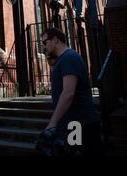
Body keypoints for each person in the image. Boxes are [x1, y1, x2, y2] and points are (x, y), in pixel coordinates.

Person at [40, 27, 102, 156]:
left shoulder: (69, 58)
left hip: (79, 123)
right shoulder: (63, 59)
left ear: (55, 40)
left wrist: (52, 123)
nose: (44, 47)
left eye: (45, 42)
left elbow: (68, 93)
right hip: (73, 123)